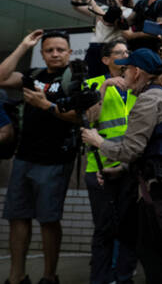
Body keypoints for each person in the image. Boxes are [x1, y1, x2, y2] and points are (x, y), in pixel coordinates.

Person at [81, 48, 162, 284]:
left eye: (126, 69)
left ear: (137, 72)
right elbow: (155, 144)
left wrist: (97, 141)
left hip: (159, 188)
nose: (125, 74)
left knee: (150, 251)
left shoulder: (148, 99)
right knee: (155, 247)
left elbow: (132, 150)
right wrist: (120, 170)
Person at [0, 30, 84, 284]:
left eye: (60, 49)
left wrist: (45, 105)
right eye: (49, 50)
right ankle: (16, 276)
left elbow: (81, 116)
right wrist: (24, 46)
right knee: (18, 217)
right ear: (43, 53)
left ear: (69, 52)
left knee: (48, 220)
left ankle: (49, 276)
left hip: (56, 159)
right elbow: (2, 77)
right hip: (24, 156)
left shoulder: (76, 77)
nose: (55, 54)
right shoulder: (33, 76)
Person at [82, 39, 138, 284]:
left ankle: (124, 277)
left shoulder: (139, 85)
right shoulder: (92, 84)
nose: (125, 55)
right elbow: (89, 120)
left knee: (129, 228)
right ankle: (100, 279)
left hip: (131, 166)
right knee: (104, 229)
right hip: (100, 167)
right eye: (119, 52)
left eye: (127, 51)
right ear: (105, 60)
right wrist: (103, 87)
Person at [71, 0, 134, 77]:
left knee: (109, 77)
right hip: (94, 48)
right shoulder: (103, 8)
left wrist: (92, 2)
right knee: (89, 78)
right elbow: (76, 6)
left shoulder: (127, 11)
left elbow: (108, 20)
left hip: (111, 48)